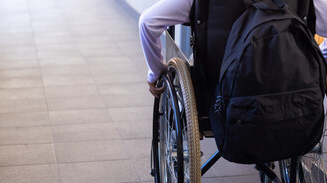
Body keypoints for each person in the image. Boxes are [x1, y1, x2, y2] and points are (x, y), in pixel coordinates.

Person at [139, 0, 327, 99]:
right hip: (293, 89)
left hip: (222, 93)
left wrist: (156, 72)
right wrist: (320, 63)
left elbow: (147, 23)